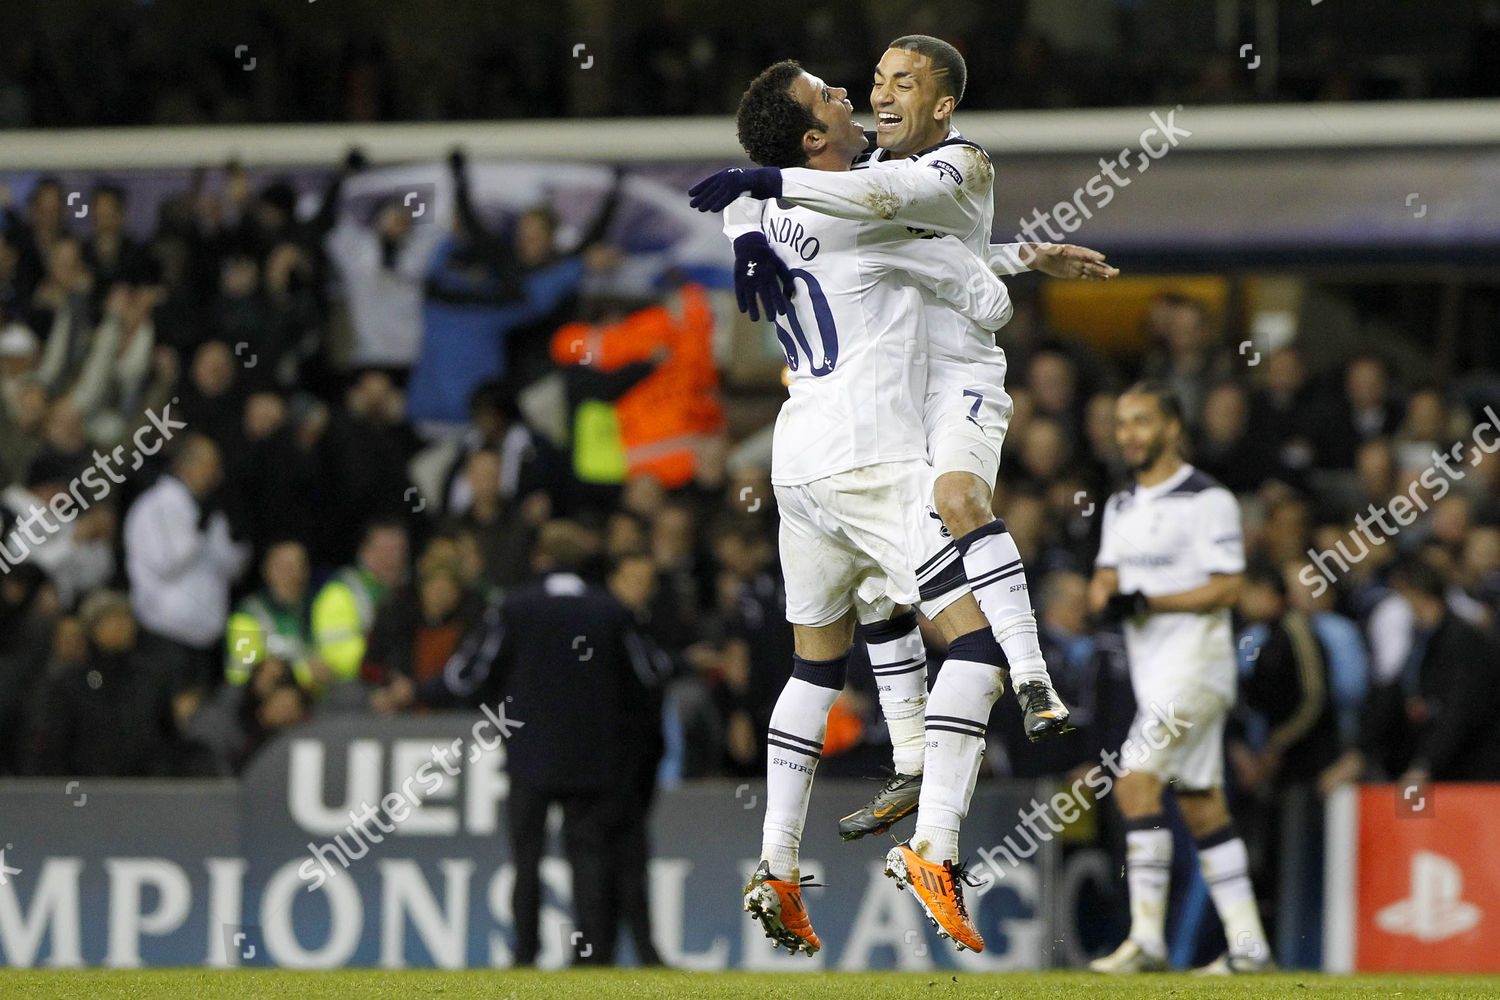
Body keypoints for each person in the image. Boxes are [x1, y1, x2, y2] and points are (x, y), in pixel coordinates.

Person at [695, 38, 1115, 828]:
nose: (867, 93)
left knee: (934, 528)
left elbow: (880, 208)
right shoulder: (842, 186)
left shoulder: (962, 163)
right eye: (860, 84)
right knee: (918, 615)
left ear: (943, 103)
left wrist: (752, 210)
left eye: (900, 82)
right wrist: (751, 215)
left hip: (911, 405)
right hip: (877, 422)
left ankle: (1026, 683)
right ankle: (922, 777)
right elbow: (879, 224)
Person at [371, 521, 668, 966]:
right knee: (587, 854)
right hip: (593, 755)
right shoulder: (609, 609)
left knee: (526, 855)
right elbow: (650, 673)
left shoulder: (515, 606)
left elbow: (469, 673)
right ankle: (591, 955)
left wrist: (414, 691)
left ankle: (526, 953)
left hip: (530, 754)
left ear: (540, 558)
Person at [1086, 381, 1272, 974]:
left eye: (1141, 421)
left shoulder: (1206, 498)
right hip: (1156, 676)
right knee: (1201, 805)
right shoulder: (1120, 505)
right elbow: (1103, 582)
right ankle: (1249, 949)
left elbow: (1228, 585)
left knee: (1133, 786)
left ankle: (1147, 941)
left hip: (1196, 669)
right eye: (1122, 423)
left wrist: (1147, 601)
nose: (1129, 435)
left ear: (1172, 427)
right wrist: (1107, 597)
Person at [123, 433, 250, 693]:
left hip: (206, 641)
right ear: (185, 465)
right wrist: (197, 533)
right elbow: (163, 565)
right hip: (165, 637)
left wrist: (238, 542)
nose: (217, 474)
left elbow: (230, 570)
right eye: (210, 465)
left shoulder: (210, 511)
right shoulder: (153, 507)